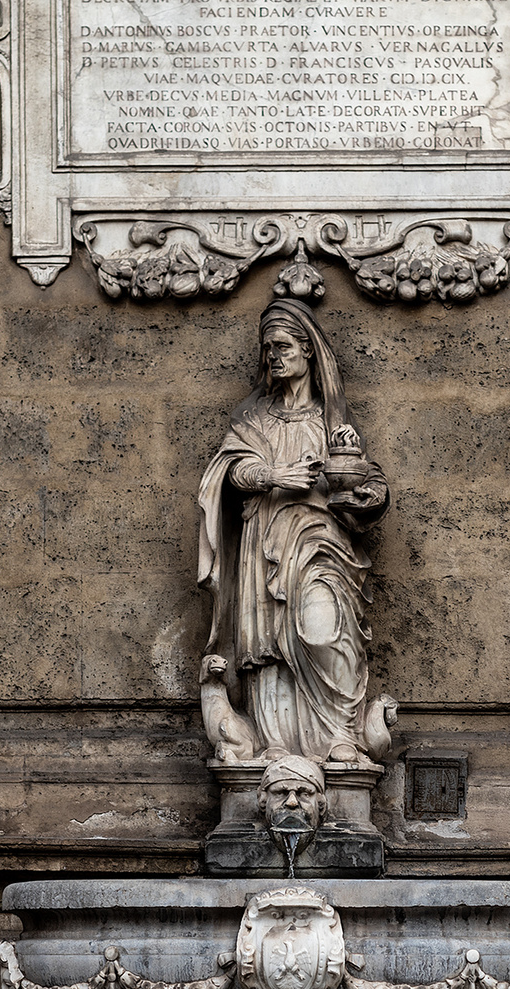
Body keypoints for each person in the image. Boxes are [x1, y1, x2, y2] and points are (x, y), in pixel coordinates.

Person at [195, 296, 390, 769]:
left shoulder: (334, 422)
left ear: (308, 350)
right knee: (270, 647)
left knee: (325, 633)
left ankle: (340, 735)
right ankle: (274, 742)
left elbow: (368, 481)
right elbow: (230, 472)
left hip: (324, 547)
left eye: (282, 346)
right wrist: (272, 476)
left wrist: (363, 486)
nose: (274, 356)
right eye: (267, 349)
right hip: (265, 544)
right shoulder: (255, 418)